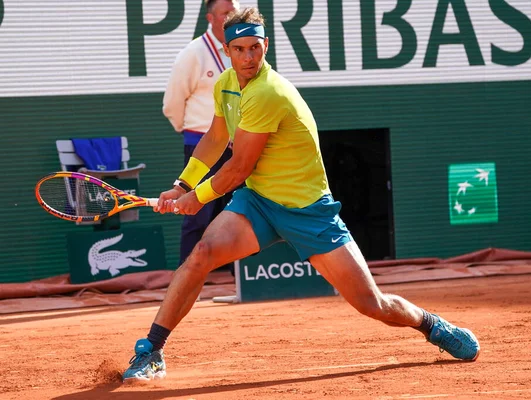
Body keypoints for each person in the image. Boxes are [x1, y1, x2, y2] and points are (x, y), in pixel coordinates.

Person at [122, 7, 480, 381]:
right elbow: (214, 140)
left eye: (255, 48)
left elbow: (239, 166)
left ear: (266, 46)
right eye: (239, 49)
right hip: (259, 202)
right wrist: (182, 185)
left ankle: (431, 325)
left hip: (308, 210)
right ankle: (152, 349)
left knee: (372, 304)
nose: (248, 58)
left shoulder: (267, 93)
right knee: (202, 254)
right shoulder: (225, 84)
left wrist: (196, 198)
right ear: (226, 50)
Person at [162, 0, 239, 267]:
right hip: (202, 144)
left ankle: (238, 276)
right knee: (197, 213)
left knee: (239, 211)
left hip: (239, 146)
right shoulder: (192, 53)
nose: (232, 17)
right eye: (225, 13)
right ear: (210, 18)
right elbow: (172, 103)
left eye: (235, 12)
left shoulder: (242, 52)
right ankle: (186, 274)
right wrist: (193, 133)